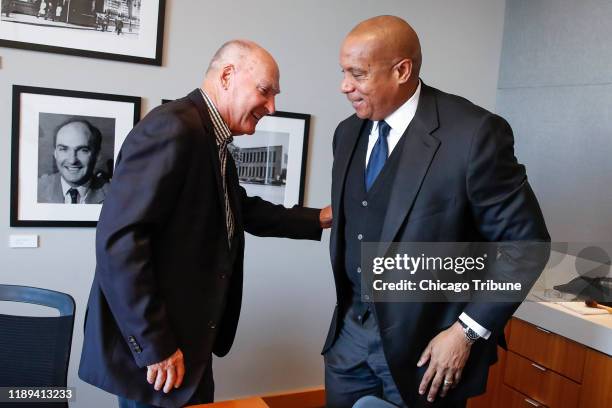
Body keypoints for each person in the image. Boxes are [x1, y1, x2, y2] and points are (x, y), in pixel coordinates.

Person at [78, 39, 332, 408]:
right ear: (227, 76)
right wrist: (156, 346)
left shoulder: (208, 135)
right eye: (265, 91)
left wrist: (320, 218)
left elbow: (239, 208)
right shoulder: (173, 129)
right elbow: (120, 241)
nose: (272, 107)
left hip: (189, 344)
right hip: (161, 353)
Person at [324, 15, 550, 408]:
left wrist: (466, 332)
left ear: (402, 70)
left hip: (430, 350)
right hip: (350, 341)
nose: (345, 86)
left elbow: (526, 244)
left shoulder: (474, 134)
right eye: (344, 72)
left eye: (357, 74)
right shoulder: (346, 133)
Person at [38, 119, 109, 204]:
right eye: (64, 149)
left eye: (83, 150)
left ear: (97, 155)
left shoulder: (114, 195)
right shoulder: (36, 189)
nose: (72, 160)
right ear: (55, 153)